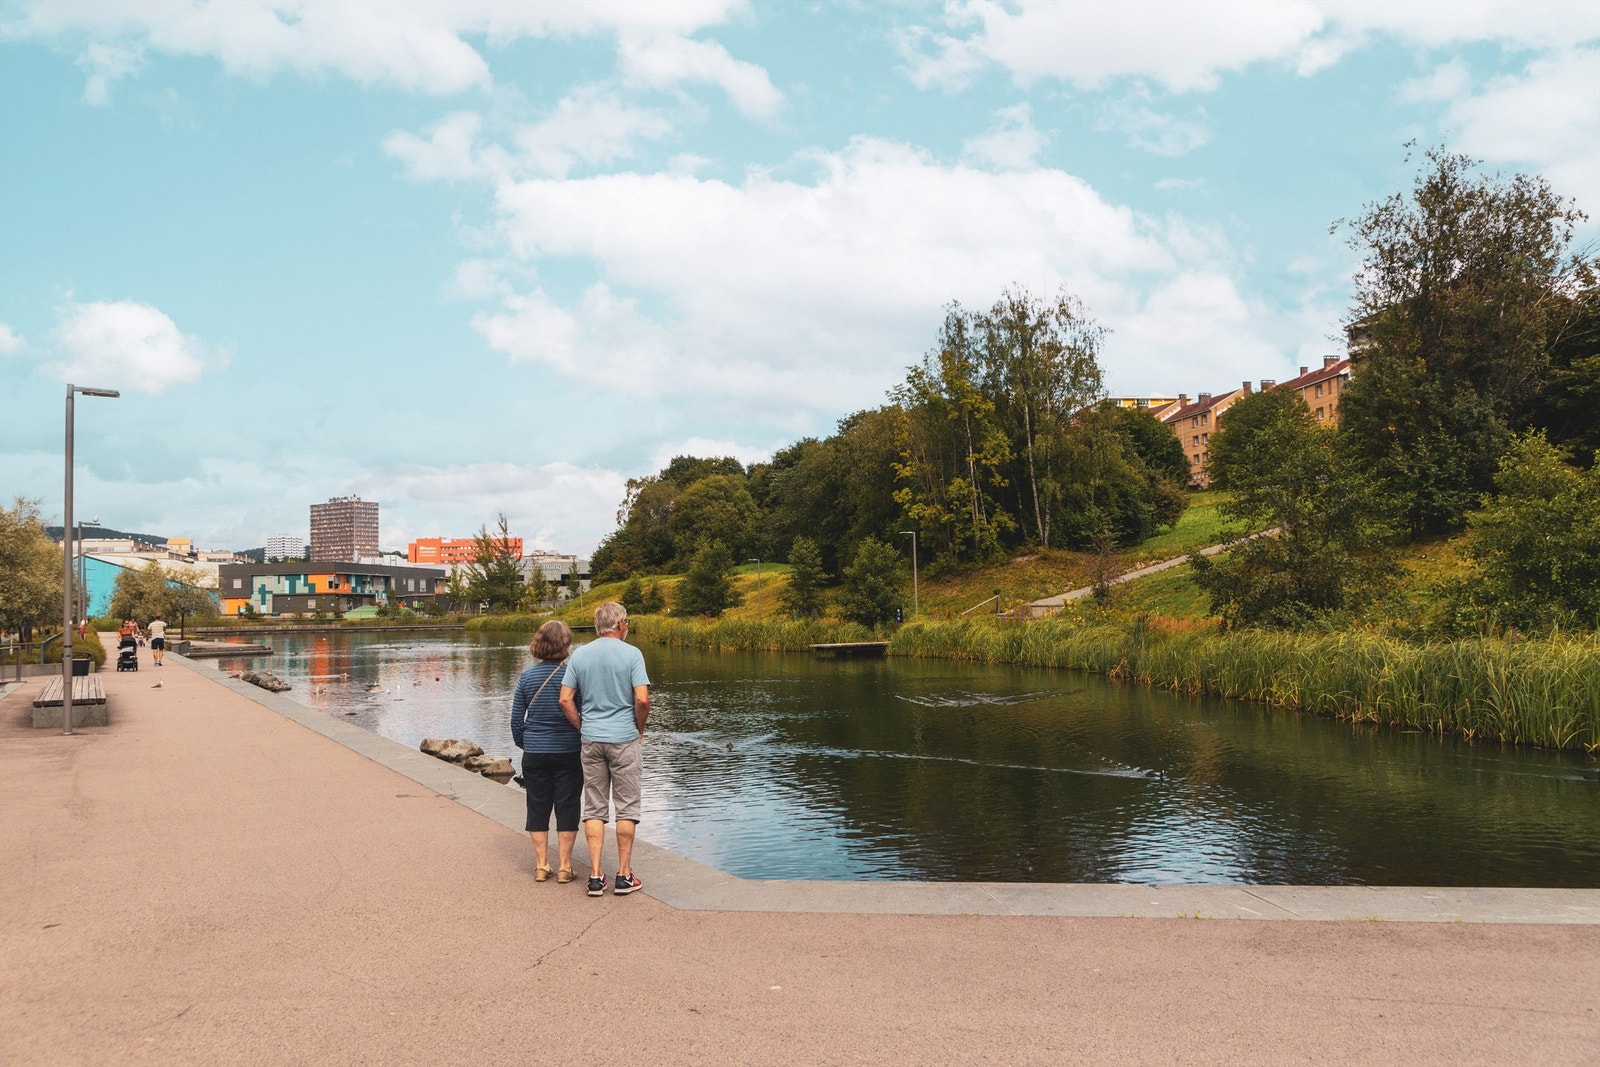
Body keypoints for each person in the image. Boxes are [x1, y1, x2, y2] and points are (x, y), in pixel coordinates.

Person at [559, 601, 650, 898]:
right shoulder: (632, 654)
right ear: (621, 624)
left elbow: (565, 699)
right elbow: (642, 700)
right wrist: (639, 728)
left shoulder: (580, 654)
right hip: (623, 739)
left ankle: (596, 877)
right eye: (628, 623)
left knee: (594, 806)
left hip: (592, 739)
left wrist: (582, 726)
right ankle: (624, 875)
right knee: (627, 806)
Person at [510, 620, 581, 884]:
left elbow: (517, 718)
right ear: (565, 644)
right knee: (568, 806)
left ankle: (541, 866)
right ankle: (564, 867)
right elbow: (580, 712)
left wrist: (526, 743)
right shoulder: (574, 675)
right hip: (568, 750)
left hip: (535, 751)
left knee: (537, 806)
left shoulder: (527, 677)